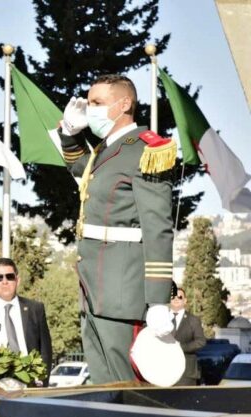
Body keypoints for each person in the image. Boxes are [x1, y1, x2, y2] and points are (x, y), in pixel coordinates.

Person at [59, 74, 176, 384]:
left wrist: (158, 300)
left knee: (128, 391)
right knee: (103, 390)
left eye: (97, 103)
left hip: (123, 292)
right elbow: (80, 170)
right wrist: (69, 133)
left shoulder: (146, 149)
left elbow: (158, 228)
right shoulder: (105, 152)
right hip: (94, 289)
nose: (90, 110)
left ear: (125, 103)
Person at [170, 286, 206, 386]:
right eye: (173, 297)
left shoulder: (193, 320)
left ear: (185, 300)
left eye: (180, 297)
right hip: (165, 371)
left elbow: (201, 342)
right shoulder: (162, 319)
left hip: (186, 373)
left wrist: (181, 347)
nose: (176, 299)